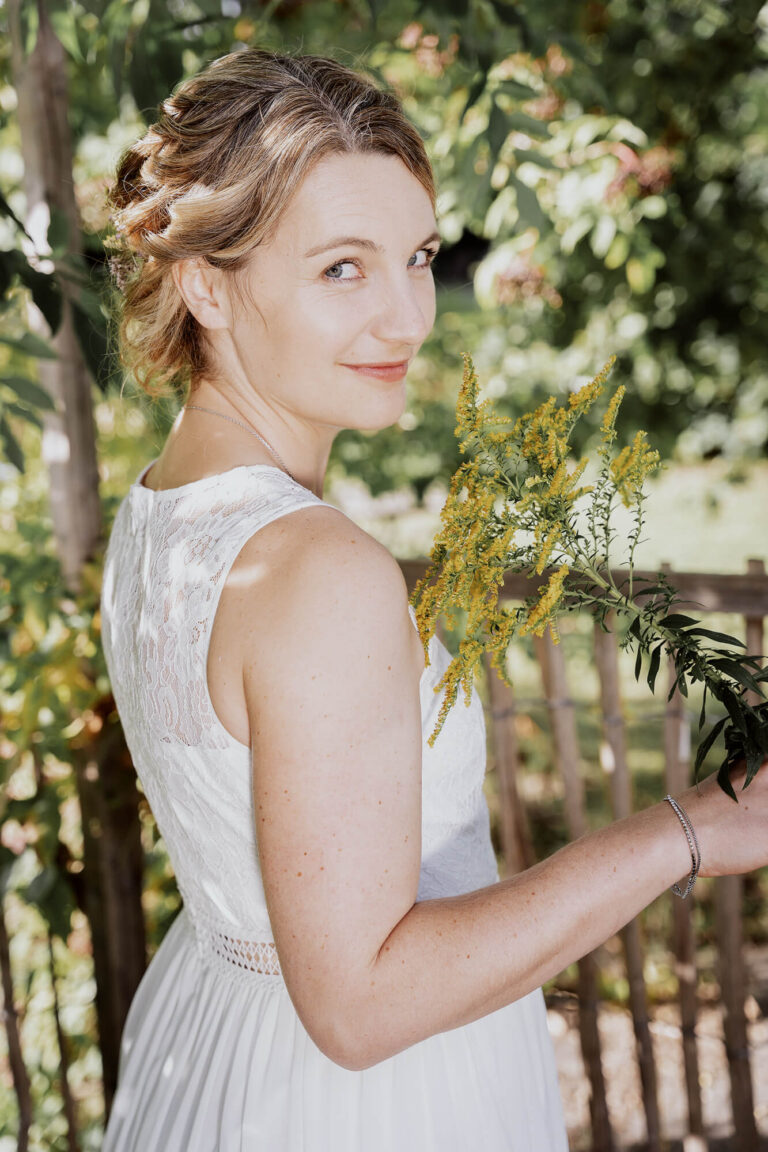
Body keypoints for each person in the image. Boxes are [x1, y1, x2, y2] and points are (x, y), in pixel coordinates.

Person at [99, 45, 768, 1152]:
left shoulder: (164, 509)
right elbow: (360, 1005)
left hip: (225, 1044)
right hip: (365, 1108)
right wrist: (690, 831)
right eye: (342, 270)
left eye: (415, 257)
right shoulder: (317, 571)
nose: (410, 319)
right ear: (205, 284)